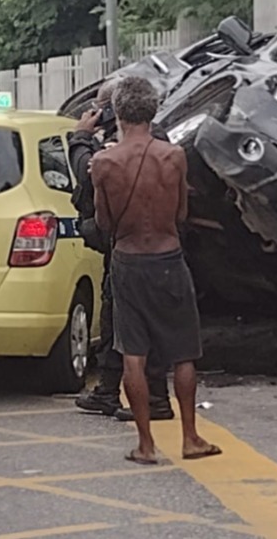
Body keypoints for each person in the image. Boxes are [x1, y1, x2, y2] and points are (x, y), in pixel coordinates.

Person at [90, 75, 221, 465]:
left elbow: (104, 221)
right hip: (168, 258)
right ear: (153, 110)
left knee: (133, 353)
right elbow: (181, 212)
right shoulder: (174, 156)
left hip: (128, 261)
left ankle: (146, 444)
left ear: (117, 112)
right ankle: (190, 437)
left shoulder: (103, 163)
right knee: (183, 354)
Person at [69, 81, 175, 422]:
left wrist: (80, 139)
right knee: (120, 324)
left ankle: (150, 401)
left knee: (130, 329)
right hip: (147, 247)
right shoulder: (160, 145)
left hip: (134, 248)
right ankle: (110, 391)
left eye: (102, 107)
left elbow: (90, 181)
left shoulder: (125, 148)